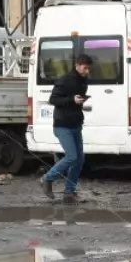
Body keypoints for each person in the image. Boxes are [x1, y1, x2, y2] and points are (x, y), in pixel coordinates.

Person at [39, 54, 91, 203]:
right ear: (77, 65)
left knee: (79, 160)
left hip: (76, 124)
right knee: (72, 157)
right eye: (85, 68)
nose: (87, 71)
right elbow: (53, 99)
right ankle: (46, 179)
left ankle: (69, 193)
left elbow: (75, 101)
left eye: (88, 69)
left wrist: (80, 101)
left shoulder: (83, 80)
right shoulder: (65, 80)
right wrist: (72, 100)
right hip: (62, 125)